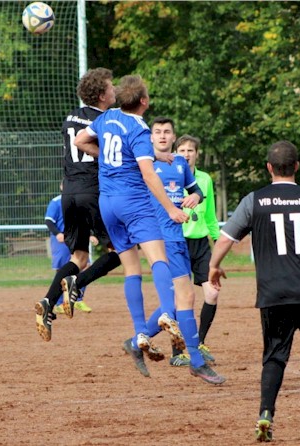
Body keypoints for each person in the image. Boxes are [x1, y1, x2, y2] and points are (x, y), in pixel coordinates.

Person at [208, 141, 300, 441]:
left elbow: (225, 239)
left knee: (274, 356)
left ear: (269, 168)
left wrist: (213, 266)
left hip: (272, 294)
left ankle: (266, 414)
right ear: (297, 167)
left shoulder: (254, 200)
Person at [73, 75, 188, 376]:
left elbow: (80, 141)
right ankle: (166, 315)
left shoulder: (108, 116)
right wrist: (171, 209)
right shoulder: (139, 127)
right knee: (158, 260)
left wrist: (112, 162)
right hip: (133, 202)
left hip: (107, 204)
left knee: (131, 269)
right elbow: (148, 175)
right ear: (144, 102)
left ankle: (140, 332)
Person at [35, 67, 123, 342]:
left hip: (69, 193)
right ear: (100, 95)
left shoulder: (70, 116)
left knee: (79, 257)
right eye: (111, 87)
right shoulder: (107, 120)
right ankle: (78, 282)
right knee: (119, 251)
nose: (115, 90)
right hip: (92, 192)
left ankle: (48, 302)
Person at [137, 117, 225, 383]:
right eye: (157, 132)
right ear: (151, 137)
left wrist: (195, 196)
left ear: (173, 137)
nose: (162, 136)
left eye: (167, 132)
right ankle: (195, 360)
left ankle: (137, 340)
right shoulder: (145, 164)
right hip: (160, 239)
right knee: (185, 298)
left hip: (179, 238)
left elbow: (196, 189)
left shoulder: (178, 164)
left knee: (181, 300)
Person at [174, 134, 221, 366]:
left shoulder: (205, 179)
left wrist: (218, 242)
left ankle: (199, 342)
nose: (186, 154)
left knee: (212, 293)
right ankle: (177, 351)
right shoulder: (170, 176)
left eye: (190, 150)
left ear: (196, 154)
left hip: (201, 244)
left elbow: (211, 215)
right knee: (181, 299)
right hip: (177, 243)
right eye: (181, 150)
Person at [43, 185, 93, 315]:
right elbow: (48, 221)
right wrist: (57, 233)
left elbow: (85, 219)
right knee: (63, 269)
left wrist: (91, 234)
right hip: (62, 240)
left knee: (86, 266)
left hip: (78, 238)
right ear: (61, 186)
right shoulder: (56, 201)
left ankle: (77, 299)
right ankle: (59, 302)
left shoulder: (79, 201)